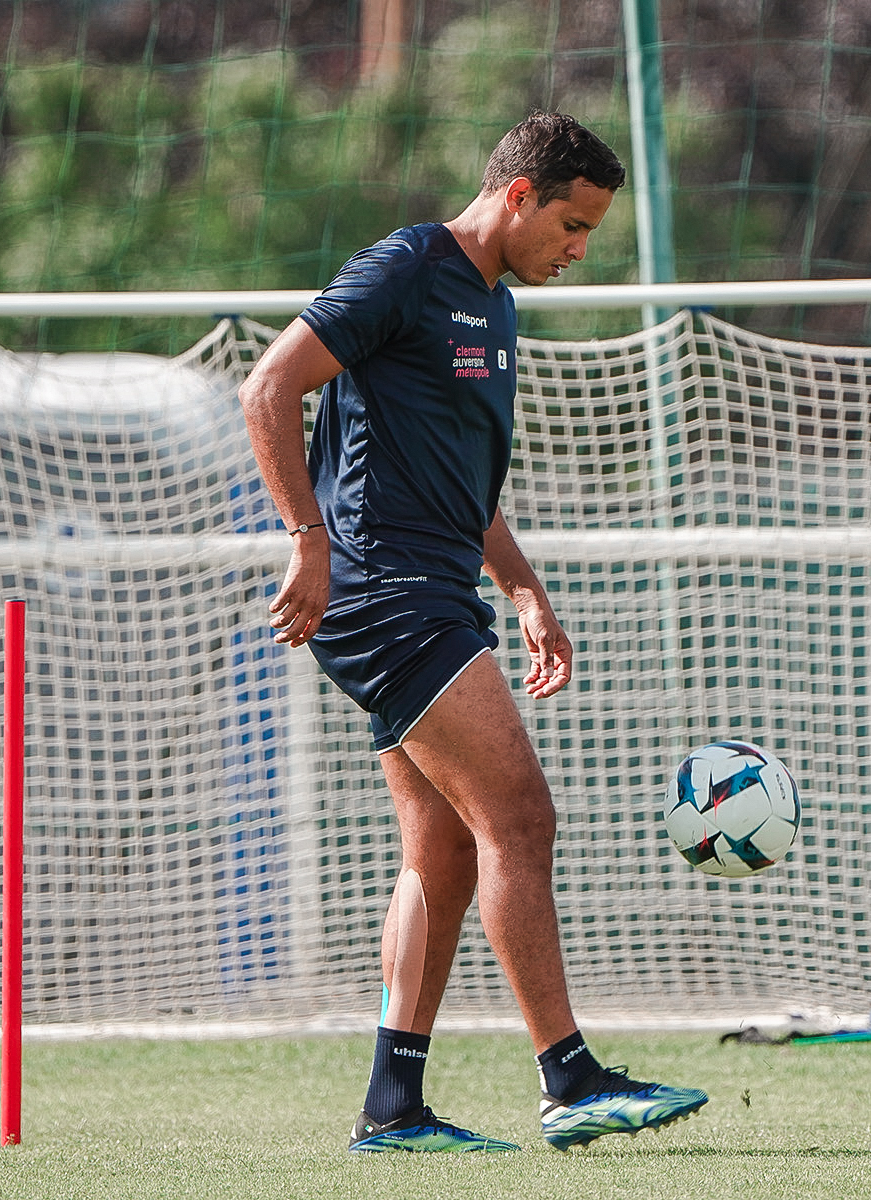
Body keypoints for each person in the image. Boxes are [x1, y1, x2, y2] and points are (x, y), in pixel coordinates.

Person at [238, 112, 707, 1152]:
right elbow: (267, 385)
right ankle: (570, 1077)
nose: (578, 251)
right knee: (521, 817)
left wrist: (528, 591)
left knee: (444, 848)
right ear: (518, 194)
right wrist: (304, 539)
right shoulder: (406, 266)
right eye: (573, 225)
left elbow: (469, 486)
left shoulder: (496, 305)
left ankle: (392, 1107)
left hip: (437, 586)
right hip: (378, 588)